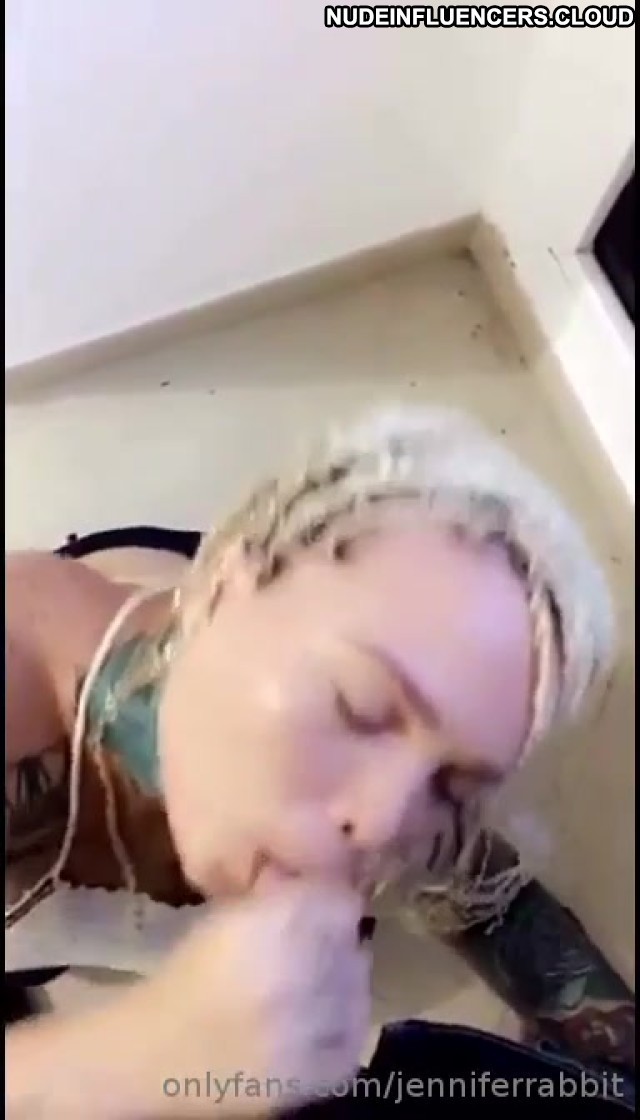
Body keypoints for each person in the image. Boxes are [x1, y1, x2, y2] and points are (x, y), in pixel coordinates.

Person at [5, 406, 632, 1117]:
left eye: (451, 787)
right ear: (224, 589)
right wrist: (119, 1059)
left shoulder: (364, 800)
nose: (382, 819)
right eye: (361, 706)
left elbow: (489, 898)